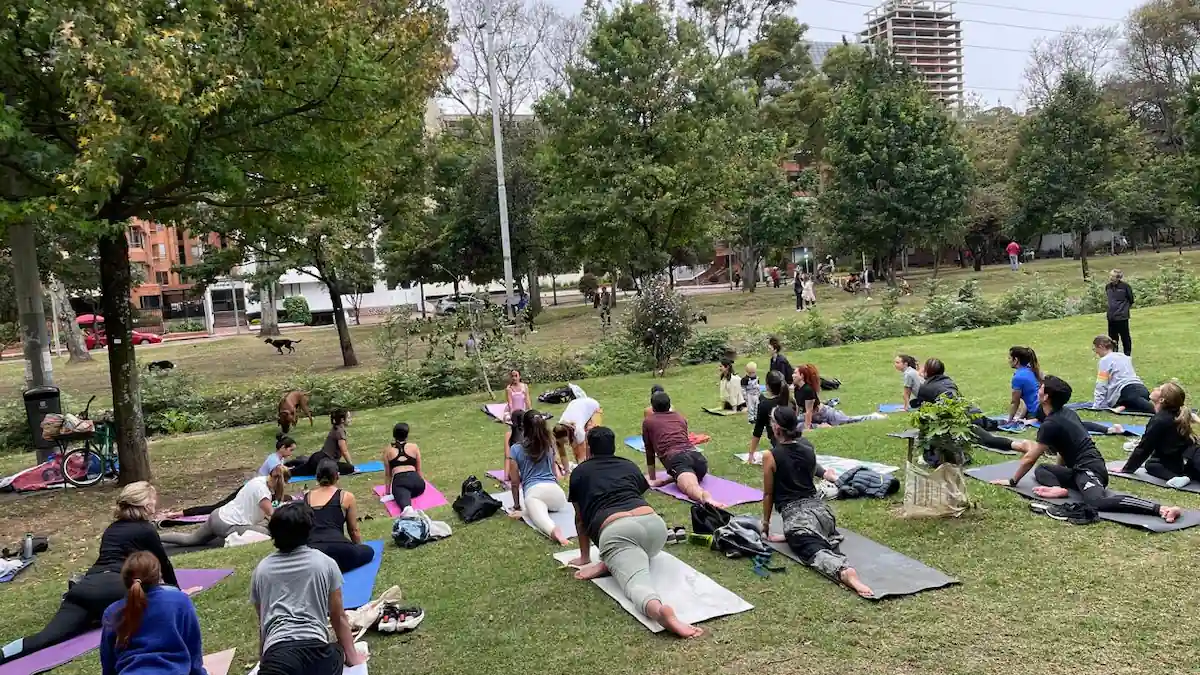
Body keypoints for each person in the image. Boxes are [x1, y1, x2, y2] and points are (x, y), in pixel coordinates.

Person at [1, 483, 181, 664]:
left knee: (45, 637)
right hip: (116, 587)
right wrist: (177, 592)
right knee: (155, 600)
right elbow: (163, 563)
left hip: (85, 588)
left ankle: (3, 653)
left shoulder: (112, 528)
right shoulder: (146, 529)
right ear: (146, 504)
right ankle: (98, 616)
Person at [567, 427, 702, 639]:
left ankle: (659, 611)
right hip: (655, 529)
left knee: (636, 582)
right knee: (632, 553)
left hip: (618, 533)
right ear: (613, 447)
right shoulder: (628, 465)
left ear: (590, 449)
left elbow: (580, 519)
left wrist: (584, 557)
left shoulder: (580, 472)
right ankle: (610, 562)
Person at [990, 375, 1182, 523]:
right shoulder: (1066, 412)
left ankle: (1161, 509)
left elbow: (1030, 457)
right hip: (1078, 469)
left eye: (1041, 387)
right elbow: (1063, 452)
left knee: (1096, 502)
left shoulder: (1051, 423)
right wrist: (1062, 475)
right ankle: (1058, 488)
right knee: (1043, 469)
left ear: (1046, 396)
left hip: (1091, 468)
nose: (1038, 389)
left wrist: (1012, 480)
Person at [760, 406, 873, 598]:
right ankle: (809, 537)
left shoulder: (770, 456)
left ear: (777, 428)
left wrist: (765, 525)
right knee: (811, 534)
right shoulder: (808, 448)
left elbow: (768, 494)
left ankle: (845, 572)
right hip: (824, 515)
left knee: (810, 550)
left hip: (798, 519)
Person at [251, 503, 365, 675]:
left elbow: (264, 623)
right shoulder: (325, 563)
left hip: (279, 656)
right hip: (318, 653)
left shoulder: (262, 570)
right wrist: (353, 658)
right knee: (336, 652)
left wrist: (264, 661)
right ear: (308, 531)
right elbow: (338, 616)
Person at [100, 552, 205, 675]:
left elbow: (108, 663)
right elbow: (194, 650)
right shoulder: (179, 600)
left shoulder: (113, 612)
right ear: (158, 576)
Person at [160, 467, 286, 548]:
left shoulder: (259, 480)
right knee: (267, 533)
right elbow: (272, 515)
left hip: (218, 515)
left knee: (190, 539)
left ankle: (157, 538)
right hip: (227, 525)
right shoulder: (263, 492)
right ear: (278, 481)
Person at [642, 391, 723, 508]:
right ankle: (670, 480)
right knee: (687, 475)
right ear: (669, 405)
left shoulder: (648, 422)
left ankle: (706, 499)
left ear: (652, 407)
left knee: (691, 487)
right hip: (699, 459)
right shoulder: (680, 417)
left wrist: (652, 478)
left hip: (677, 459)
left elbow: (649, 451)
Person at [507, 409, 570, 545]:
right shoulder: (549, 445)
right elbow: (554, 473)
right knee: (536, 507)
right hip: (557, 496)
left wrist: (517, 506)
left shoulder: (516, 449)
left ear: (524, 427)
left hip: (534, 493)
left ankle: (553, 530)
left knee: (539, 515)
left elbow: (514, 482)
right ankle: (534, 514)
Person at [1121, 381, 1200, 488]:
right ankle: (1187, 476)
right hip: (1189, 459)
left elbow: (1144, 447)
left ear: (1162, 400)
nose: (1154, 388)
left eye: (1158, 389)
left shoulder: (1160, 420)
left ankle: (1182, 477)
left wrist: (1127, 469)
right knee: (1153, 463)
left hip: (1185, 461)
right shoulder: (1176, 414)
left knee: (1151, 465)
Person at [305, 459, 374, 573]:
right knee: (368, 551)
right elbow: (353, 530)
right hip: (339, 549)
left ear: (317, 476)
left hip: (313, 554)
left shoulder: (307, 497)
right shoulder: (346, 497)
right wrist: (357, 548)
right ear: (337, 475)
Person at [794, 364, 885, 430]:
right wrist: (795, 418)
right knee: (794, 426)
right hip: (814, 416)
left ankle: (873, 417)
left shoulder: (807, 390)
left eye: (795, 373)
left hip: (824, 414)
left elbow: (809, 410)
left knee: (848, 421)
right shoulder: (797, 387)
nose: (792, 375)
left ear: (802, 376)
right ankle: (822, 425)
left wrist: (808, 428)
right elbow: (798, 405)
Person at [1091, 335, 1153, 413]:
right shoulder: (1124, 357)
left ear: (1100, 346)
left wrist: (1097, 405)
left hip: (1127, 393)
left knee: (1153, 410)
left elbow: (1101, 384)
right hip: (1142, 390)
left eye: (1095, 349)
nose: (1096, 352)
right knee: (1137, 406)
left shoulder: (1105, 360)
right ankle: (1123, 407)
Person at [294, 410, 356, 477]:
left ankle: (298, 462)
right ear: (342, 420)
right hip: (323, 462)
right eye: (349, 418)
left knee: (297, 471)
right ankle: (295, 463)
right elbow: (344, 451)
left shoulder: (336, 428)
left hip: (318, 458)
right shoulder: (339, 431)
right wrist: (352, 466)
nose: (351, 419)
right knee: (350, 468)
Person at [747, 370, 790, 464]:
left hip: (780, 443)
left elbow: (758, 431)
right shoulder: (789, 400)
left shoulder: (765, 405)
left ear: (767, 386)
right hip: (795, 439)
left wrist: (751, 455)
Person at [383, 422, 427, 513]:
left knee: (406, 507)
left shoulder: (388, 451)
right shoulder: (414, 447)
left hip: (401, 483)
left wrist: (387, 492)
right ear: (407, 435)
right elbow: (418, 470)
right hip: (418, 485)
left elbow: (388, 475)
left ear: (394, 435)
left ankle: (407, 506)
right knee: (405, 493)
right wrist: (423, 483)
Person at [553, 394, 602, 466]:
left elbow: (581, 455)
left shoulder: (578, 431)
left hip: (593, 407)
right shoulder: (558, 430)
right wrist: (567, 471)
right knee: (576, 449)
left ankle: (595, 465)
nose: (565, 444)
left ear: (568, 434)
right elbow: (562, 455)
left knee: (592, 438)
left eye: (565, 441)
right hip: (577, 405)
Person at [1007, 346, 1042, 422]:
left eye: (1009, 358)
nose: (1008, 361)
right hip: (1042, 408)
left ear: (1016, 360)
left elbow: (1015, 402)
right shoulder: (1032, 369)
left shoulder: (1018, 377)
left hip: (1035, 412)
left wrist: (1009, 420)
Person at [1105, 269, 1134, 356]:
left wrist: (1123, 309)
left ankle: (1127, 354)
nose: (1110, 278)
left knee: (1125, 336)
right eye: (1110, 275)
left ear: (1118, 278)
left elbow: (1131, 299)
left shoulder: (1125, 287)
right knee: (1112, 337)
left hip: (1122, 317)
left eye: (1112, 276)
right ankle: (1114, 353)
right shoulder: (1108, 287)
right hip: (1111, 317)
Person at [741, 362, 760, 427]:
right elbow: (743, 388)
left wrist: (758, 391)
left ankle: (756, 417)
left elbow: (758, 385)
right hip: (749, 395)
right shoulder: (745, 379)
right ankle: (751, 419)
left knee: (757, 406)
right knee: (750, 407)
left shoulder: (756, 378)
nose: (752, 374)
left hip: (756, 394)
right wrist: (745, 395)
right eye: (750, 373)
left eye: (753, 372)